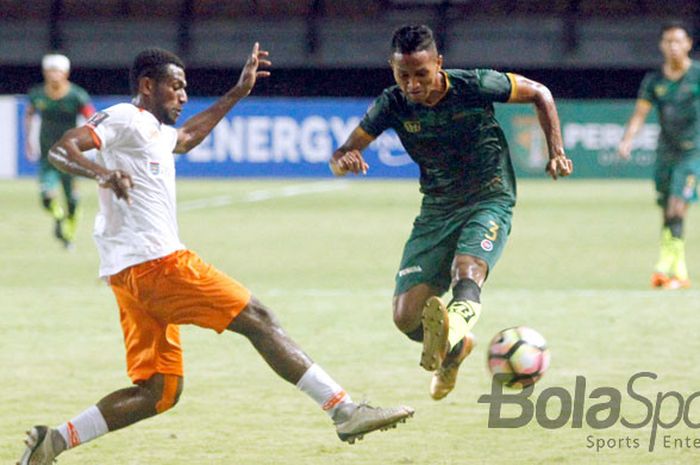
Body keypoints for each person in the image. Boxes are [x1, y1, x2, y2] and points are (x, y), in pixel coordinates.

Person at [18, 44, 413, 465]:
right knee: (258, 319)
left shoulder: (152, 130)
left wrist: (238, 92)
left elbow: (186, 138)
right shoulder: (125, 117)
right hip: (158, 264)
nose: (184, 96)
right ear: (147, 86)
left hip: (130, 274)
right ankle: (344, 410)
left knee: (160, 390)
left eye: (185, 88)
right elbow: (62, 148)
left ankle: (53, 441)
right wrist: (103, 172)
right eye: (176, 87)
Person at [328, 25, 573, 400]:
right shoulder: (392, 104)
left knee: (467, 268)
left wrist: (556, 150)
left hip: (489, 195)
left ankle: (454, 325)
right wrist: (345, 160)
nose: (412, 84)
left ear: (439, 64)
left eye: (421, 74)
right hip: (437, 208)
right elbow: (340, 156)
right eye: (403, 75)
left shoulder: (475, 84)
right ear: (393, 70)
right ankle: (456, 349)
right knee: (404, 317)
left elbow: (541, 93)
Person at [618, 21, 699, 290]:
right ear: (662, 45)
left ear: (688, 44)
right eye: (668, 42)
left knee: (677, 207)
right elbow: (640, 114)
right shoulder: (655, 80)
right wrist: (627, 140)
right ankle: (674, 268)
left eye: (678, 41)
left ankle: (672, 266)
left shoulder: (697, 75)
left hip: (693, 154)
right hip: (666, 154)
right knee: (668, 210)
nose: (673, 46)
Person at [25, 53, 95, 248]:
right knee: (46, 197)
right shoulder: (37, 94)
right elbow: (29, 115)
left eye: (58, 71)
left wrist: (91, 140)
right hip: (48, 155)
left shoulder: (77, 95)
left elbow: (92, 118)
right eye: (50, 71)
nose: (54, 75)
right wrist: (28, 141)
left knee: (72, 199)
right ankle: (58, 216)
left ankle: (68, 235)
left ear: (65, 73)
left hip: (71, 156)